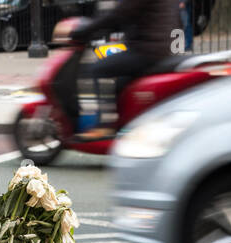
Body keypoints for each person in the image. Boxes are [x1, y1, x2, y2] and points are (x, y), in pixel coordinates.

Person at [69, 0, 183, 139]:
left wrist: (84, 31)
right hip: (158, 48)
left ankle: (102, 127)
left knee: (97, 69)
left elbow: (120, 13)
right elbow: (128, 16)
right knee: (121, 83)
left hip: (146, 50)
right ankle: (123, 126)